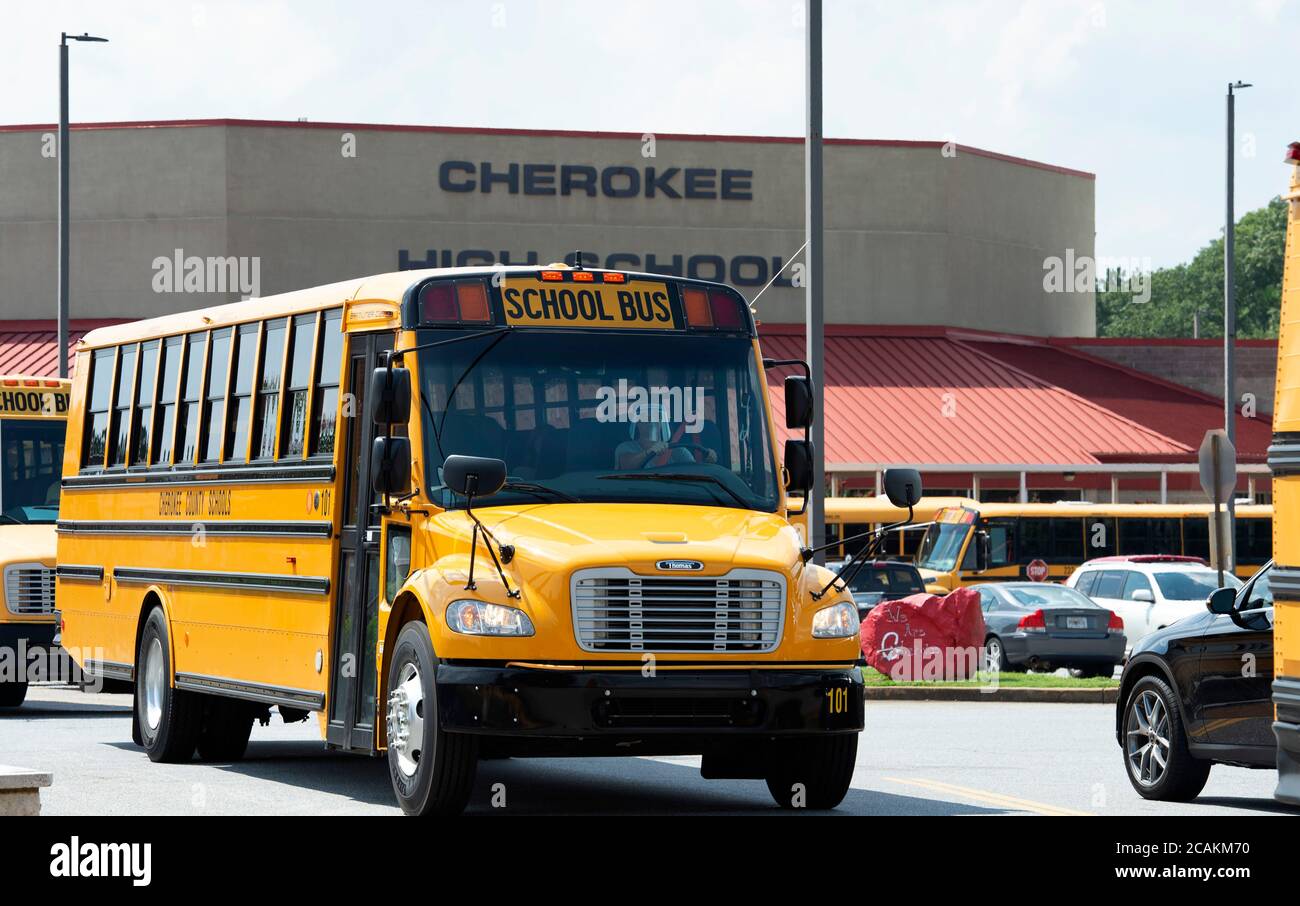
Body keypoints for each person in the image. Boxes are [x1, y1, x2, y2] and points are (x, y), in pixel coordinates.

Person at [614, 418, 695, 469]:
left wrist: (707, 462)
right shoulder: (626, 447)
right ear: (637, 423)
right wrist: (650, 451)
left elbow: (694, 473)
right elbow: (626, 466)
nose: (651, 421)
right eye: (646, 417)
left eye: (656, 417)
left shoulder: (678, 450)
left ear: (662, 423)